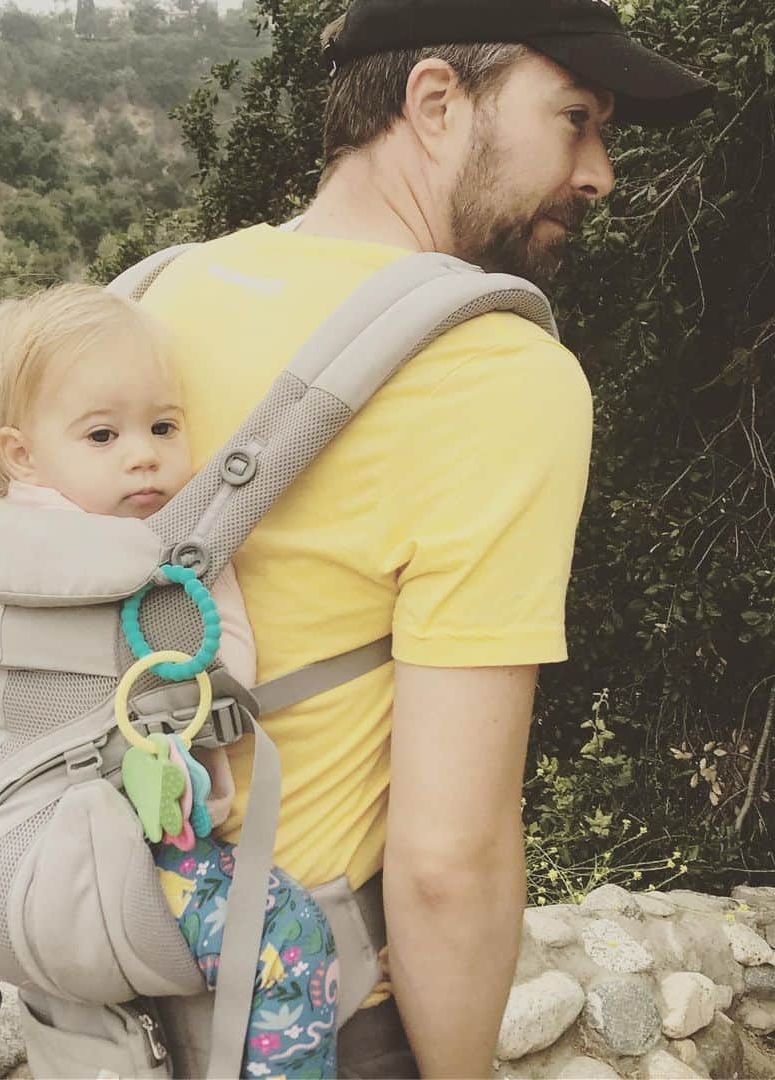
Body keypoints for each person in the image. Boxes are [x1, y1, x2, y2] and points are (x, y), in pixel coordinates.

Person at [128, 1, 715, 1075]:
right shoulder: (493, 370)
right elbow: (450, 859)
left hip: (91, 974)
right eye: (575, 116)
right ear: (437, 101)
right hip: (301, 1014)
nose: (601, 174)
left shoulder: (158, 290)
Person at [0, 284, 341, 1080]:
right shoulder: (154, 562)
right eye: (103, 434)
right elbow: (228, 672)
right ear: (22, 454)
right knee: (288, 937)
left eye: (163, 427)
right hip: (106, 871)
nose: (143, 455)